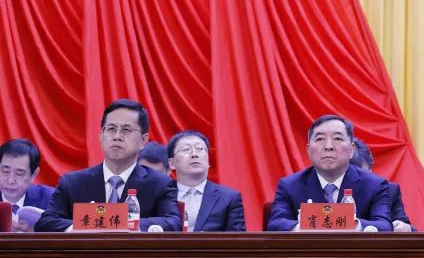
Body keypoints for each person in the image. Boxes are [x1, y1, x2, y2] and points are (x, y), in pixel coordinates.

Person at [36, 99, 180, 232]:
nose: (117, 136)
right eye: (111, 129)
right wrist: (82, 227)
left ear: (143, 140)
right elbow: (46, 223)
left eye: (126, 130)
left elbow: (173, 222)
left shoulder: (160, 184)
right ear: (101, 135)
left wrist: (125, 224)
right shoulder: (72, 183)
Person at [267, 115, 391, 231]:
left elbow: (385, 225)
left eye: (337, 138)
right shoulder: (289, 186)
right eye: (320, 139)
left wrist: (353, 224)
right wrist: (305, 227)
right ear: (308, 151)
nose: (328, 146)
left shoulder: (375, 185)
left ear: (351, 150)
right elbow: (275, 224)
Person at [166, 130, 245, 231]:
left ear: (208, 160)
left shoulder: (228, 198)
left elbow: (237, 239)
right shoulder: (161, 194)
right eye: (186, 150)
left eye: (200, 149)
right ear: (172, 163)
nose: (194, 154)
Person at [351, 137, 413, 231]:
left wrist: (406, 228)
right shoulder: (329, 190)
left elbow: (407, 228)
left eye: (360, 174)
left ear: (370, 169)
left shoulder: (389, 190)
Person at [0, 138, 55, 232]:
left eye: (19, 173)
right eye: (5, 171)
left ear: (34, 174)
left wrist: (36, 234)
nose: (10, 180)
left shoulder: (51, 198)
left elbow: (74, 231)